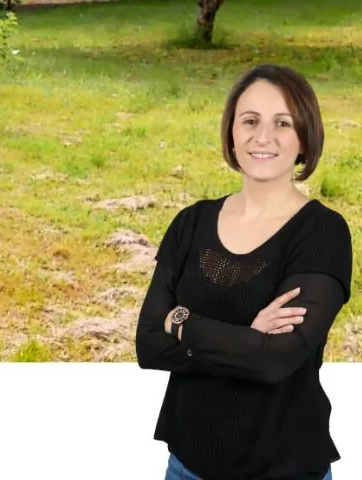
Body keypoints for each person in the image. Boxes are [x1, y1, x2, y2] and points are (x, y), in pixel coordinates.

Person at [137, 64, 352, 480]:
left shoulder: (323, 233)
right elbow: (148, 345)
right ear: (232, 133)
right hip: (187, 466)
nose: (263, 136)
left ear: (305, 137)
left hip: (286, 469)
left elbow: (276, 361)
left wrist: (180, 321)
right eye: (250, 120)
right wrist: (247, 341)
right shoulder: (190, 222)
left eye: (283, 123)